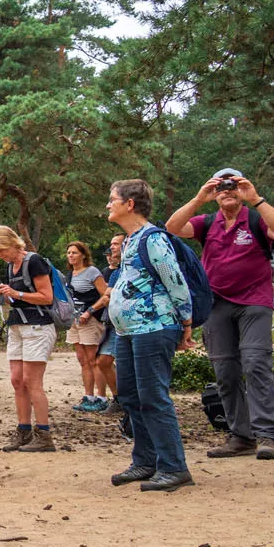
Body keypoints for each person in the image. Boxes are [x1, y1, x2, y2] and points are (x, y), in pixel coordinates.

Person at [164, 168, 274, 460]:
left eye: (233, 185)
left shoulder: (257, 219)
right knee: (225, 370)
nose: (227, 190)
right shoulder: (207, 222)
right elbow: (171, 228)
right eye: (221, 186)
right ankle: (241, 436)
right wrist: (199, 199)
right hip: (217, 303)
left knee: (256, 363)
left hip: (255, 301)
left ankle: (267, 435)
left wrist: (255, 198)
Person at [107, 179, 196, 492]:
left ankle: (174, 467)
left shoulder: (152, 238)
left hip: (155, 328)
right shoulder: (129, 241)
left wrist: (186, 323)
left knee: (153, 397)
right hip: (128, 332)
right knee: (130, 396)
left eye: (112, 199)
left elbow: (175, 282)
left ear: (130, 204)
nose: (108, 205)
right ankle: (145, 461)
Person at [0, 226, 58, 452]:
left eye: (0, 250)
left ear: (11, 243)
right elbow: (18, 299)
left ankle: (44, 434)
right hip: (17, 325)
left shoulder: (34, 261)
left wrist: (17, 294)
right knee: (17, 380)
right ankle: (23, 430)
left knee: (31, 381)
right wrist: (3, 294)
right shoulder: (10, 265)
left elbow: (46, 297)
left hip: (37, 326)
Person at [64, 242, 111, 412]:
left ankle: (102, 397)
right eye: (69, 252)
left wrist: (90, 312)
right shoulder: (69, 275)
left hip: (90, 320)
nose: (71, 255)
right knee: (82, 360)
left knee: (94, 360)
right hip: (74, 321)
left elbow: (105, 295)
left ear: (83, 255)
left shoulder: (92, 272)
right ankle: (88, 396)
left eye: (74, 252)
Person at [85, 233, 124, 403]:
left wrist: (90, 309)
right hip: (111, 322)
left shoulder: (133, 268)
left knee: (124, 363)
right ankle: (118, 398)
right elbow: (106, 295)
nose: (111, 248)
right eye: (111, 244)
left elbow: (107, 296)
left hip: (130, 323)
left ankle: (129, 400)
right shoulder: (111, 272)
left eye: (116, 244)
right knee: (102, 361)